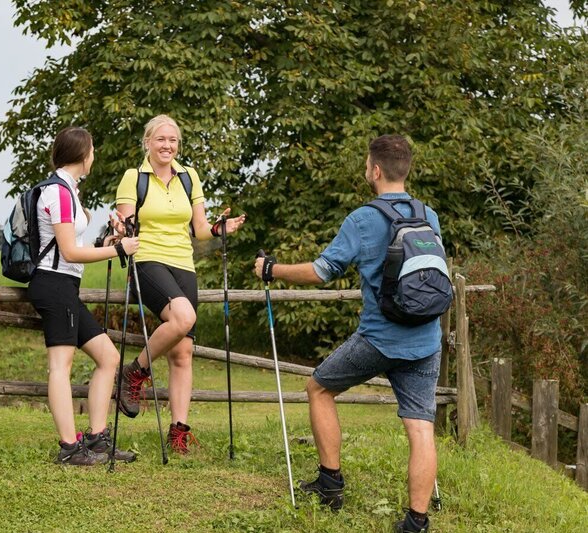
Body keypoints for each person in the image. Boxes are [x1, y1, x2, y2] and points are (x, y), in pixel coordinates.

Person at [253, 135, 441, 533]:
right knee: (420, 426)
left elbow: (322, 271)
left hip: (379, 338)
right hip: (426, 339)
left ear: (374, 170)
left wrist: (273, 269)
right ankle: (417, 522)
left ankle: (330, 484)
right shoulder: (430, 215)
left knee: (319, 389)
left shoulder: (363, 219)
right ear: (406, 169)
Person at [115, 114, 246, 454]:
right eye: (161, 139)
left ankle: (178, 433)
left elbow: (200, 230)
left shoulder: (189, 177)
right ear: (148, 142)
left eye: (173, 140)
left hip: (183, 264)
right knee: (184, 318)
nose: (167, 145)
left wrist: (220, 228)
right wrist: (119, 230)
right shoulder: (134, 178)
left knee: (183, 351)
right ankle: (134, 373)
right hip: (147, 261)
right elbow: (126, 226)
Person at [28, 126, 140, 466]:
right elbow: (69, 253)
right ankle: (69, 448)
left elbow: (76, 248)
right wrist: (118, 249)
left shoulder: (69, 191)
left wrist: (107, 241)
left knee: (108, 358)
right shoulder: (58, 193)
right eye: (92, 150)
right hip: (54, 284)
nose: (94, 156)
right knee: (59, 366)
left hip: (65, 286)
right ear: (82, 154)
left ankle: (96, 439)